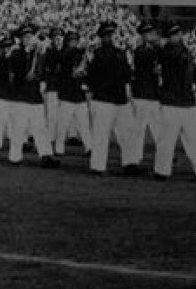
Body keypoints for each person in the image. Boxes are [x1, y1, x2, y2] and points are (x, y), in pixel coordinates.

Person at [154, 23, 196, 182]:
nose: (179, 37)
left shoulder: (185, 51)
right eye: (176, 35)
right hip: (171, 101)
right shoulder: (167, 52)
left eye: (180, 34)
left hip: (187, 101)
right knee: (167, 138)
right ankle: (161, 170)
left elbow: (190, 72)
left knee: (193, 137)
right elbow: (173, 60)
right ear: (169, 37)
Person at [7, 24, 60, 167]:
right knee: (19, 128)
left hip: (34, 96)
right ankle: (15, 156)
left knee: (40, 127)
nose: (29, 39)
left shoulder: (38, 52)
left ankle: (46, 155)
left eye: (30, 36)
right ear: (21, 40)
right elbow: (18, 70)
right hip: (21, 97)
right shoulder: (16, 52)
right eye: (26, 37)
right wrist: (28, 52)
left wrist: (45, 48)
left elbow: (51, 64)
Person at [86, 20, 133, 176]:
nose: (109, 38)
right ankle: (98, 166)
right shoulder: (97, 54)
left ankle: (129, 163)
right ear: (101, 38)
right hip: (103, 99)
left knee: (126, 133)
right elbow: (91, 78)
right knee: (101, 134)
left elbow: (127, 75)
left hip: (119, 99)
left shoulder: (121, 53)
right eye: (106, 35)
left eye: (111, 35)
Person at [120, 22, 160, 174]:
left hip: (152, 94)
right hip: (142, 94)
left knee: (158, 128)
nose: (150, 36)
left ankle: (164, 154)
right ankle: (134, 157)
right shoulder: (140, 52)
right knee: (138, 129)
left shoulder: (152, 50)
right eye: (147, 34)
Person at [52, 30, 92, 158]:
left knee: (84, 125)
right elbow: (68, 56)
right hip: (67, 95)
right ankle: (59, 148)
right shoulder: (64, 54)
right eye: (71, 41)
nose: (73, 44)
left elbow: (85, 71)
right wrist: (82, 50)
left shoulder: (79, 56)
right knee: (62, 125)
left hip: (79, 95)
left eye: (75, 41)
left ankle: (89, 147)